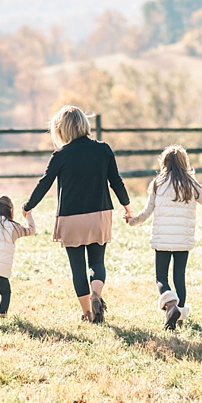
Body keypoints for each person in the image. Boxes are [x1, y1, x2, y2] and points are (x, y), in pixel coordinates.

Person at [23, 105, 132, 323]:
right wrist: (127, 206)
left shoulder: (61, 155)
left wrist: (28, 206)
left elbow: (44, 183)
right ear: (84, 123)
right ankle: (97, 294)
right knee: (97, 263)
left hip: (71, 218)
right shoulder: (103, 149)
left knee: (77, 268)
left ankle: (88, 314)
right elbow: (116, 182)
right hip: (99, 214)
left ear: (61, 130)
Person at [127, 145, 202, 329]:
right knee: (179, 276)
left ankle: (171, 306)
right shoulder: (192, 185)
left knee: (161, 277)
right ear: (185, 163)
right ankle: (179, 314)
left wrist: (131, 221)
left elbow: (146, 213)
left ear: (164, 163)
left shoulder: (158, 184)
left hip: (162, 241)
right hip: (183, 240)